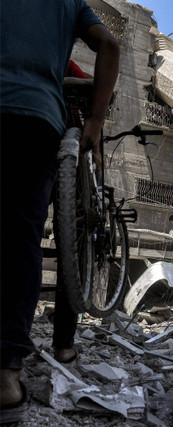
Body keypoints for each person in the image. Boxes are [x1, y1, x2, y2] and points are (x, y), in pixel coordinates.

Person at [0, 1, 120, 421]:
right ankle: (12, 371)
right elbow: (110, 45)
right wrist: (97, 122)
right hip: (38, 127)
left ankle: (55, 346)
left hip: (53, 143)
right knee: (34, 238)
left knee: (64, 233)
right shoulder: (67, 11)